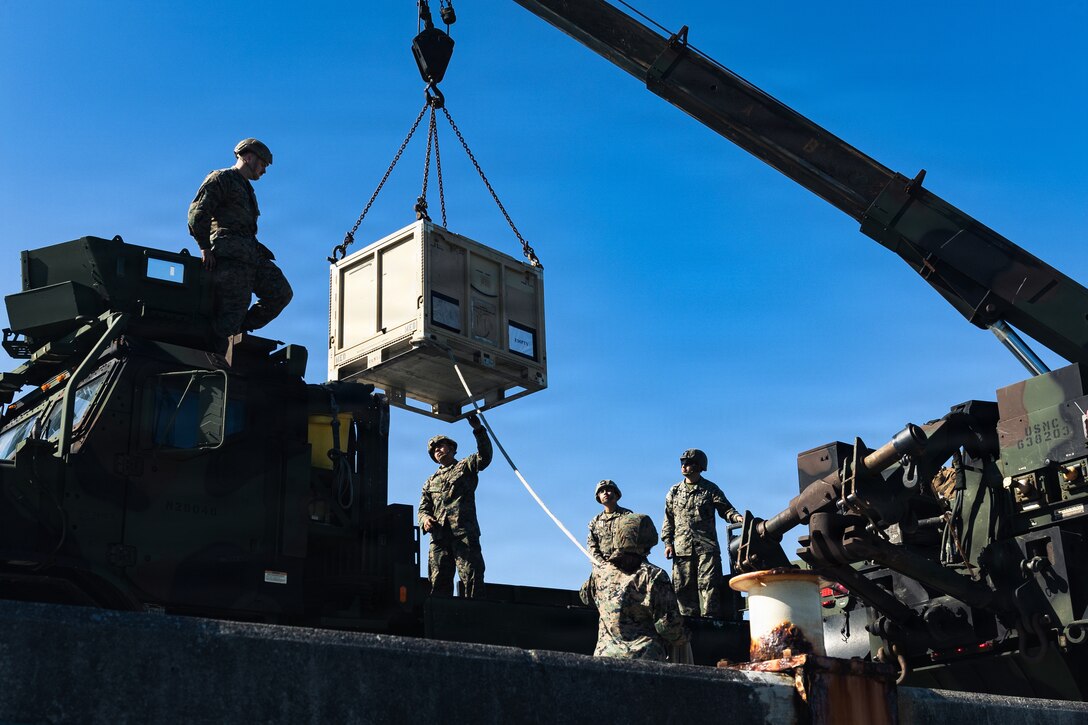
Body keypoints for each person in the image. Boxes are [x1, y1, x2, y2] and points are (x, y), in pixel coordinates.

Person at [187, 138, 293, 349]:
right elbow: (197, 214)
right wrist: (205, 247)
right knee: (231, 313)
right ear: (249, 157)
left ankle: (237, 330)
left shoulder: (246, 189)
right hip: (231, 260)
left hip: (251, 256)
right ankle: (214, 354)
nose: (263, 171)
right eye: (262, 164)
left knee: (281, 293)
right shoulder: (221, 178)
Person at [588, 512, 687, 661]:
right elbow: (668, 626)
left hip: (604, 662)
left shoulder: (599, 573)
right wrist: (686, 636)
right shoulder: (654, 576)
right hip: (644, 664)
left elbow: (585, 597)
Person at [418, 413, 492, 598]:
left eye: (440, 446)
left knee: (471, 579)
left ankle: (474, 618)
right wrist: (425, 520)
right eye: (434, 450)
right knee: (438, 583)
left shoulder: (465, 467)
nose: (437, 450)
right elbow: (423, 509)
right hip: (439, 538)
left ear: (452, 448)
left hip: (463, 534)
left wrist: (478, 430)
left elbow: (485, 457)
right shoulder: (430, 482)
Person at [661, 448, 742, 618]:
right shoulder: (674, 492)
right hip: (682, 549)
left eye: (689, 463)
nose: (684, 466)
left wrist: (737, 517)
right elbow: (668, 519)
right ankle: (689, 622)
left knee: (709, 584)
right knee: (682, 587)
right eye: (683, 463)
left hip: (706, 547)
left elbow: (726, 509)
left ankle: (710, 622)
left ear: (699, 466)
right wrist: (668, 543)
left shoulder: (710, 489)